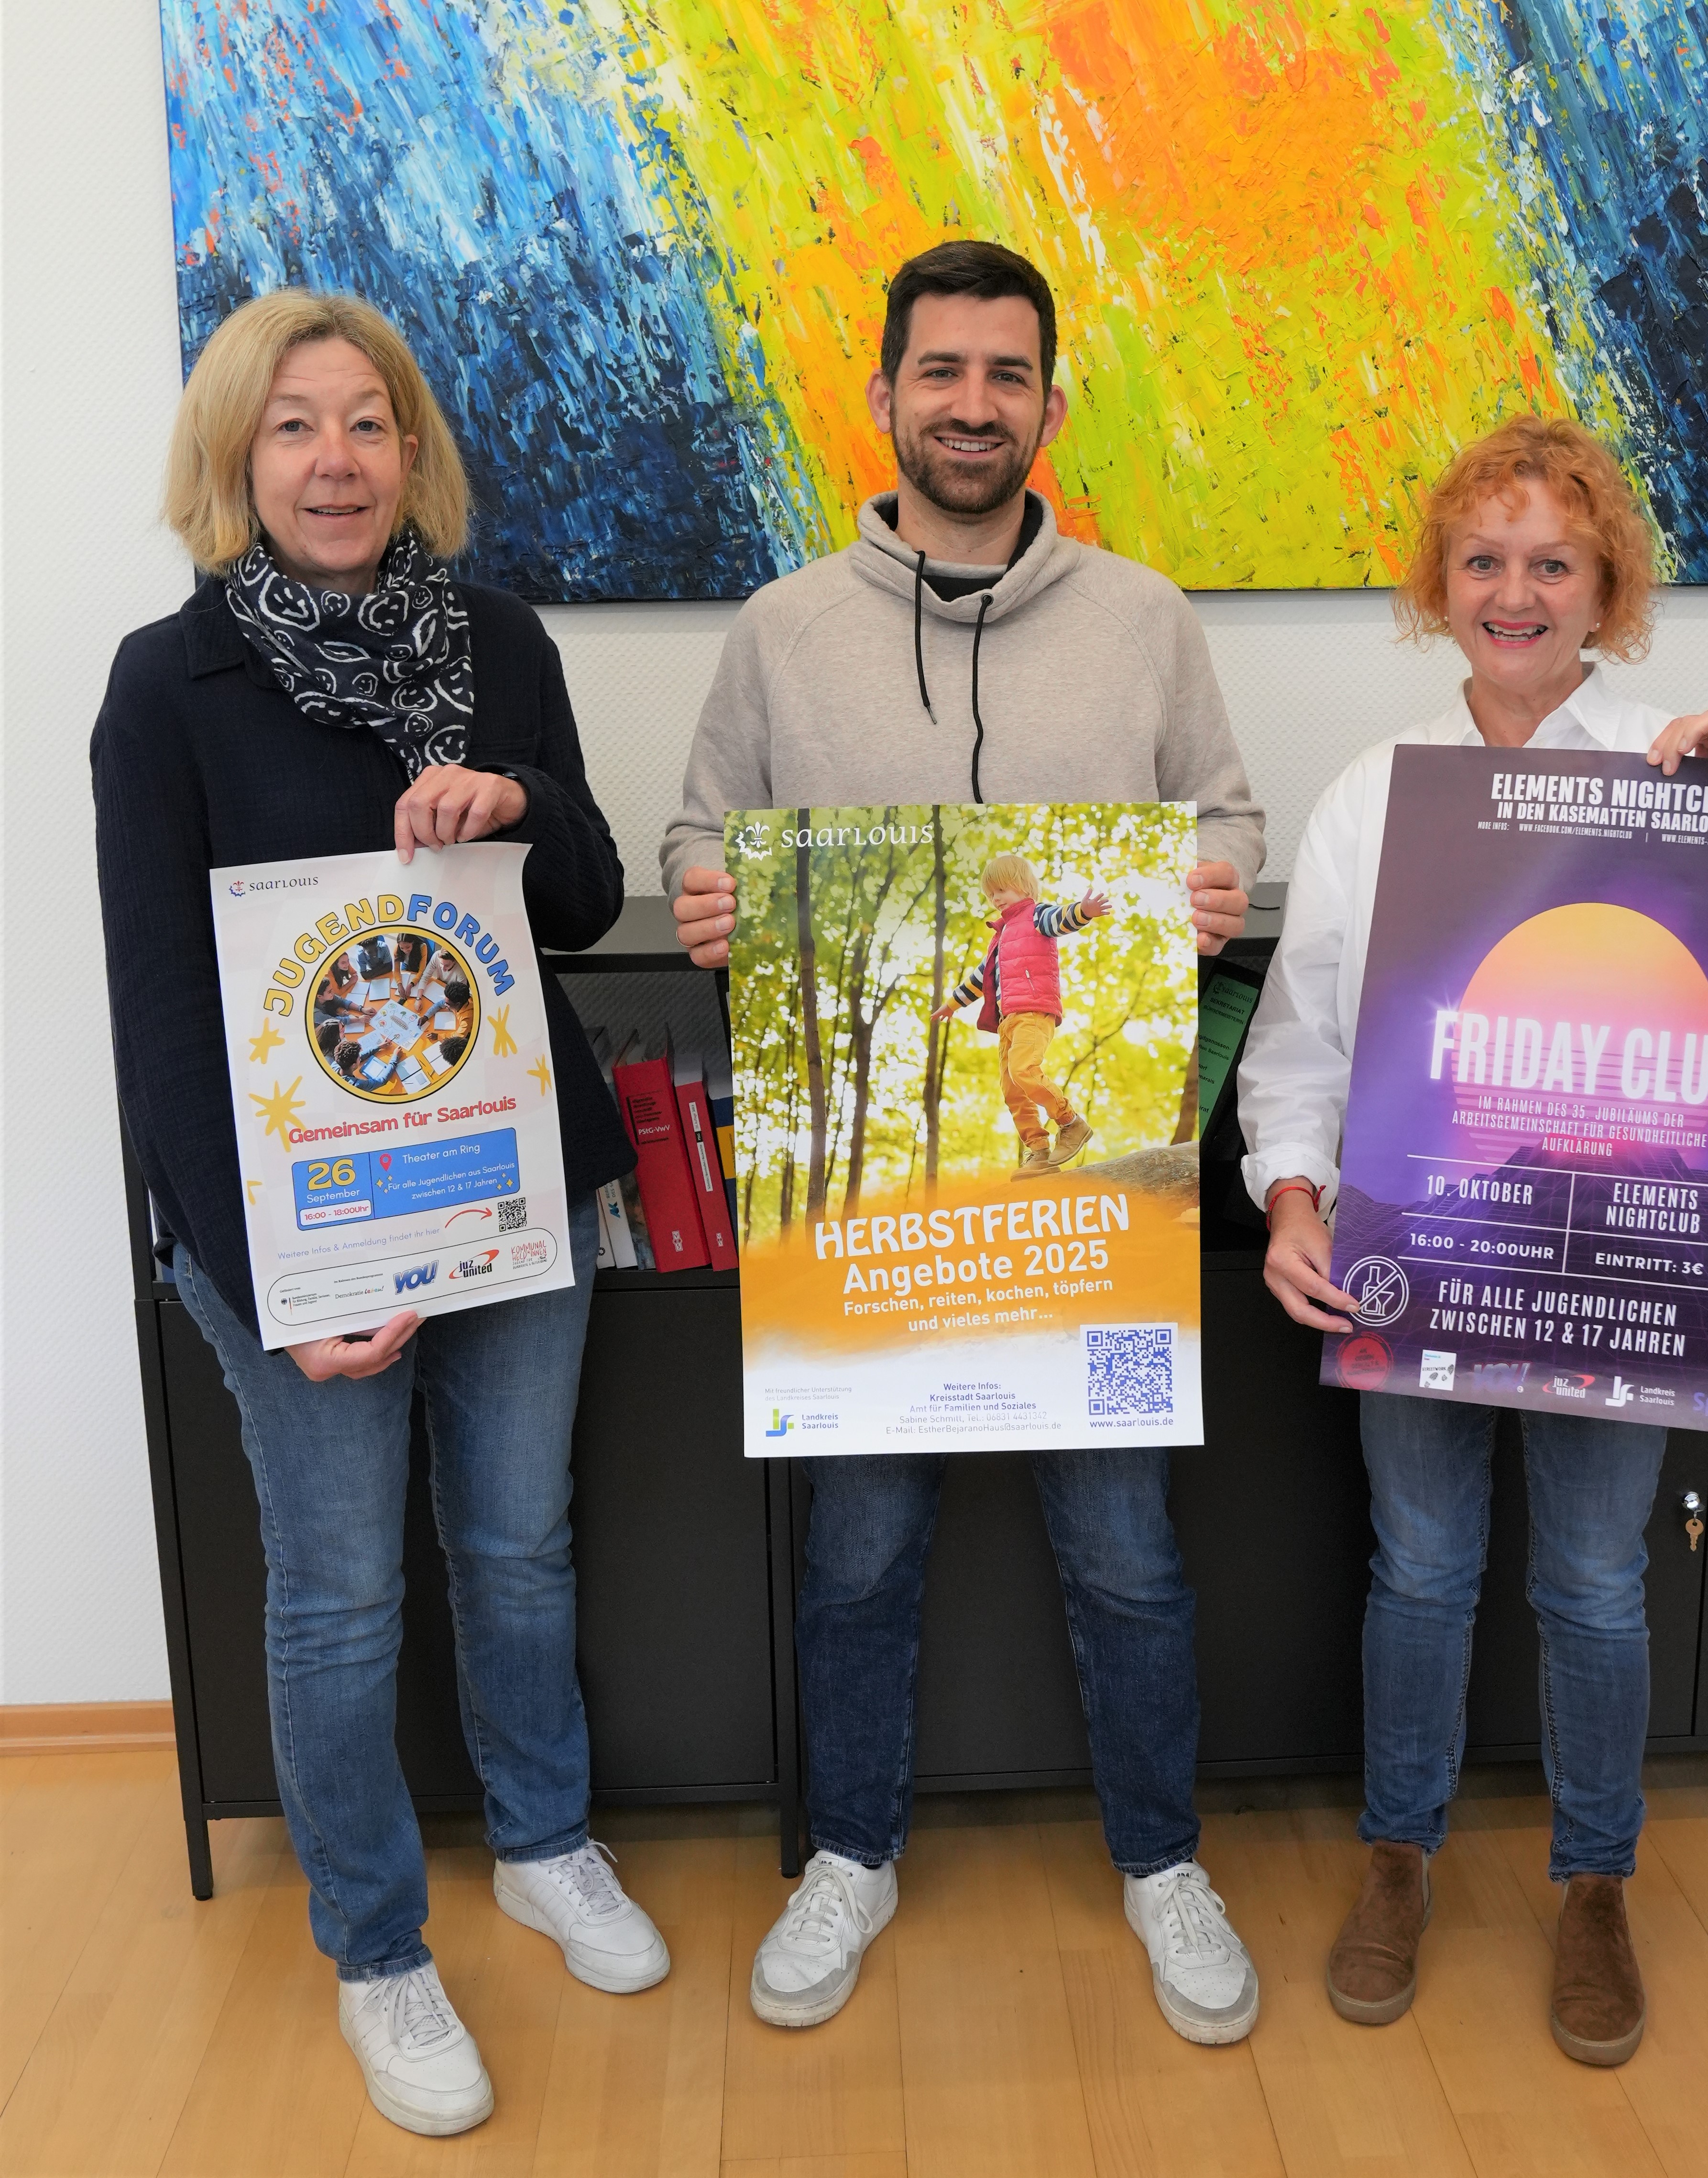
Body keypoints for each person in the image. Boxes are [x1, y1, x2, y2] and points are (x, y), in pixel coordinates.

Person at [662, 239, 1267, 2045]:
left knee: (1127, 1554)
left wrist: (1209, 883)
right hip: (865, 1206)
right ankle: (848, 1854)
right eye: (941, 371)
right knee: (856, 1553)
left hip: (1090, 1213)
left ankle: (1160, 1860)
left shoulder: (1145, 619)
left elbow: (1225, 822)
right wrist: (710, 897)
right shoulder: (782, 628)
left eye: (1007, 374)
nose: (972, 405)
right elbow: (701, 834)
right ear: (885, 397)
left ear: (1048, 406)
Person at [1238, 414, 1708, 2066]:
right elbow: (1300, 1041)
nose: (1513, 591)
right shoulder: (1375, 795)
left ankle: (1596, 1883)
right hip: (1425, 1245)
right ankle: (1398, 1858)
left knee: (1595, 1580)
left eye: (1551, 561)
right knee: (1419, 1568)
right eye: (1483, 559)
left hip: (1626, 1261)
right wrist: (1294, 1198)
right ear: (1437, 584)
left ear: (1607, 588)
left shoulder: (1680, 763)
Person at [93, 289, 663, 2139]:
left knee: (518, 1548)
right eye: (293, 425)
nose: (333, 459)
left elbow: (582, 898)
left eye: (365, 422)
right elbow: (162, 1009)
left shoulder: (496, 644)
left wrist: (521, 804)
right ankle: (376, 1950)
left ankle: (546, 1845)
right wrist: (270, 1285)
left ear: (411, 451)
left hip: (505, 1186)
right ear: (236, 457)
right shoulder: (165, 685)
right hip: (300, 1225)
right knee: (339, 1597)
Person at [930, 850, 1110, 1172]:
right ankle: (1038, 1150)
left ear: (1024, 886)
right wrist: (952, 1003)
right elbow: (981, 977)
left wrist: (1083, 911)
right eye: (991, 894)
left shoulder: (1036, 915)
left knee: (1024, 1069)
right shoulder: (1000, 937)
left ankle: (1070, 1123)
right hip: (1007, 1020)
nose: (996, 899)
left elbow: (1060, 919)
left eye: (1001, 890)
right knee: (1012, 1089)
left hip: (1034, 1011)